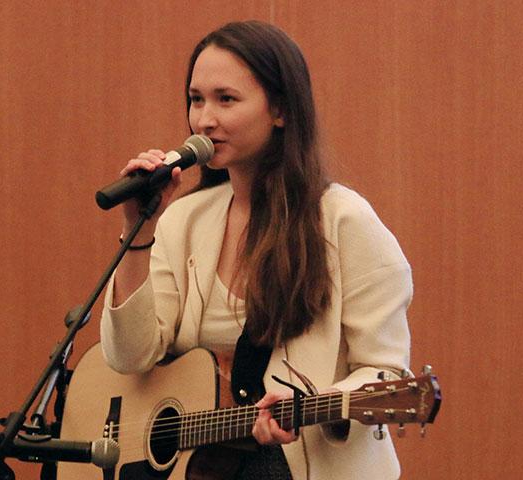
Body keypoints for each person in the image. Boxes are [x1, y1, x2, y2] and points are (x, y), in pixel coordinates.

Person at [100, 20, 412, 480]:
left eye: (226, 100)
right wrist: (137, 229)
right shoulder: (184, 219)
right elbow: (129, 356)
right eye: (196, 99)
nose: (204, 119)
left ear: (280, 110)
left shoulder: (346, 222)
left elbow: (385, 376)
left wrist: (312, 406)